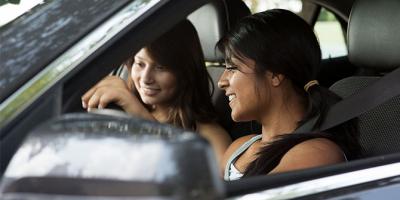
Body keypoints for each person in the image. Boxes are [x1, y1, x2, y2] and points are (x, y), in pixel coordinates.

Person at [217, 9, 361, 180]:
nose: (221, 82)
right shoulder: (238, 148)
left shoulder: (317, 154)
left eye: (232, 68)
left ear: (275, 74)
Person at [81, 20, 231, 166]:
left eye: (160, 67)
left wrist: (135, 110)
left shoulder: (211, 138)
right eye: (140, 64)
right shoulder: (117, 106)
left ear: (185, 72)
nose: (146, 78)